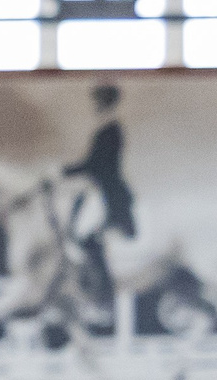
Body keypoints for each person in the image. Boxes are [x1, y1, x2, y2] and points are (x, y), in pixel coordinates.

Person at [62, 84, 135, 326]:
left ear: (105, 102)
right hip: (99, 189)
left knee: (85, 237)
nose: (95, 105)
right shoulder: (106, 128)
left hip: (108, 191)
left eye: (98, 100)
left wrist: (65, 170)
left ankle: (104, 300)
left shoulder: (111, 129)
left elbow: (95, 165)